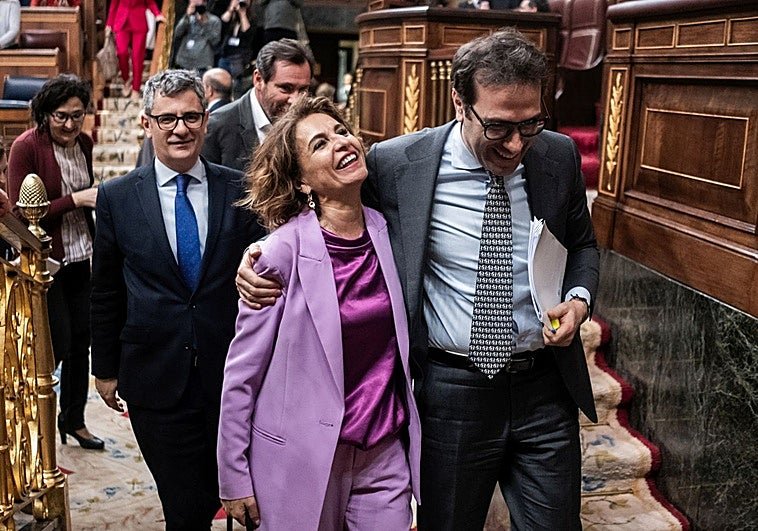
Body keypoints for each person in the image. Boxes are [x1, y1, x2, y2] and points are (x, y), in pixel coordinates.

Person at [238, 28, 599, 530]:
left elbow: (582, 245)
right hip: (453, 391)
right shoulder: (397, 165)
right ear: (459, 103)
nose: (517, 143)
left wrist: (578, 301)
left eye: (531, 124)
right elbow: (329, 213)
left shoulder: (556, 155)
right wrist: (259, 253)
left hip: (544, 387)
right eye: (498, 127)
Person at [217, 96, 420, 530]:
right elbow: (243, 372)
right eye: (320, 144)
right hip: (301, 457)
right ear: (302, 182)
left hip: (383, 451)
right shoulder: (279, 254)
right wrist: (233, 474)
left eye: (342, 132)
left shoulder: (393, 231)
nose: (341, 143)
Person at [90, 69, 265, 530]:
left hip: (232, 375)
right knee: (184, 508)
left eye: (190, 117)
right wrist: (104, 368)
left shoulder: (241, 189)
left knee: (243, 497)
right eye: (167, 119)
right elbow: (106, 289)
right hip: (155, 377)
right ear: (147, 123)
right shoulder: (117, 197)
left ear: (206, 120)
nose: (180, 129)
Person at [7, 74, 104, 450]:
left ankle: (73, 420)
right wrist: (76, 200)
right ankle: (35, 417)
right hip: (45, 262)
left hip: (80, 255)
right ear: (45, 115)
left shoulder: (85, 143)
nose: (70, 124)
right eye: (61, 116)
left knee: (82, 342)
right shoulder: (26, 147)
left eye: (77, 115)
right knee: (58, 342)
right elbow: (19, 214)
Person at [202, 38, 313, 171]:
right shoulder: (216, 127)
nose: (295, 100)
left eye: (303, 90)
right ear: (258, 80)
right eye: (286, 88)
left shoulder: (311, 125)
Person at [106, 0, 164, 99]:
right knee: (121, 52)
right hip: (121, 20)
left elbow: (150, 2)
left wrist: (157, 14)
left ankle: (136, 88)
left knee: (137, 57)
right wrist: (109, 23)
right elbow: (114, 4)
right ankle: (126, 80)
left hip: (139, 21)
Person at [218, 0, 257, 97]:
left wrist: (242, 14)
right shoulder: (232, 16)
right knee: (220, 83)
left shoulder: (252, 18)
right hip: (226, 53)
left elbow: (246, 31)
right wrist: (231, 9)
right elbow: (223, 22)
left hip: (239, 56)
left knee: (236, 85)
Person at [173, 0, 222, 74]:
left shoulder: (214, 20)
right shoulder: (188, 18)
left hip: (202, 63)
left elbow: (215, 41)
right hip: (183, 61)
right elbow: (178, 33)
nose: (194, 2)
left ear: (204, 3)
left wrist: (205, 23)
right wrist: (186, 16)